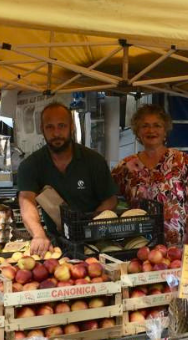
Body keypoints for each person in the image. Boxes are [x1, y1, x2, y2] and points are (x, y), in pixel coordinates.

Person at [17, 102, 118, 255]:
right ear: (42, 129)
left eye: (62, 126)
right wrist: (38, 235)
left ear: (72, 127)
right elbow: (26, 201)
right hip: (56, 244)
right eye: (50, 127)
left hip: (96, 242)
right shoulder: (31, 165)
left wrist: (89, 227)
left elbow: (110, 200)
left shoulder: (94, 161)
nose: (56, 133)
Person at [112, 104, 188, 247]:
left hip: (185, 244)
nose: (151, 130)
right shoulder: (125, 167)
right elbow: (107, 194)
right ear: (137, 132)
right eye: (145, 126)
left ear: (165, 131)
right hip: (142, 246)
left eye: (157, 125)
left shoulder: (182, 161)